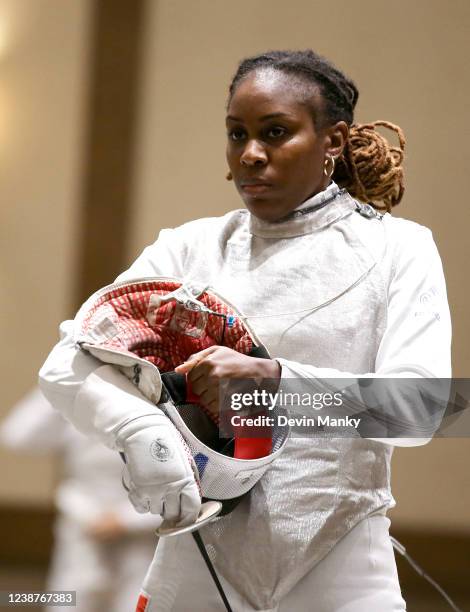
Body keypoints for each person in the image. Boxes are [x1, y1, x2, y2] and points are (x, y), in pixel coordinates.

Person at [39, 50, 451, 611]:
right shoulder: (188, 247)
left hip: (343, 563)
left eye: (276, 133)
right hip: (196, 563)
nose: (251, 155)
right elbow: (68, 360)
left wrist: (272, 381)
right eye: (238, 134)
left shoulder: (399, 247)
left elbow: (422, 408)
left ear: (332, 140)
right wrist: (140, 430)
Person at [0, 388, 159, 612]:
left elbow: (199, 479)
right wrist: (65, 381)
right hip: (84, 527)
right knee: (71, 601)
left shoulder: (163, 396)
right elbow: (17, 435)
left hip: (145, 537)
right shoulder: (79, 398)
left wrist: (127, 520)